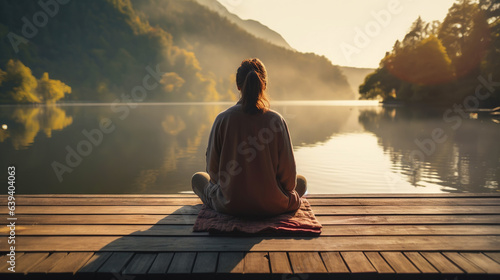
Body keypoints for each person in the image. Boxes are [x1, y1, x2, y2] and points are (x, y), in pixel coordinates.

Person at [191, 58, 307, 217]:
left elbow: (213, 173)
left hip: (230, 205)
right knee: (301, 181)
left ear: (238, 86)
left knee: (198, 178)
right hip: (273, 206)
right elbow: (289, 182)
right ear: (264, 85)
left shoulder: (222, 119)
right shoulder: (276, 121)